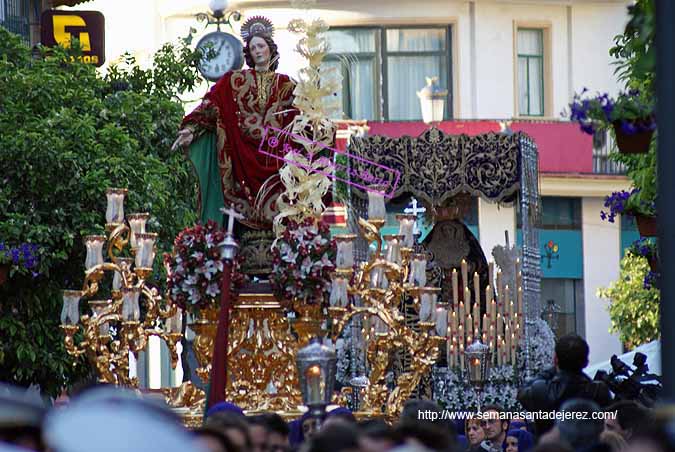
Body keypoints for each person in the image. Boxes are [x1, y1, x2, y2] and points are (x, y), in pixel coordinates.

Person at [172, 16, 298, 228]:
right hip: (241, 161)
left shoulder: (287, 84)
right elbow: (212, 106)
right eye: (253, 47)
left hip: (276, 160)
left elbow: (300, 119)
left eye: (261, 46)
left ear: (270, 49)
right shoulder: (233, 81)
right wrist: (192, 129)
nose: (257, 51)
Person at [517, 334, 612, 434]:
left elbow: (522, 392)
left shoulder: (541, 389)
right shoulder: (598, 391)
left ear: (555, 359)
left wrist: (553, 369)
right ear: (586, 362)